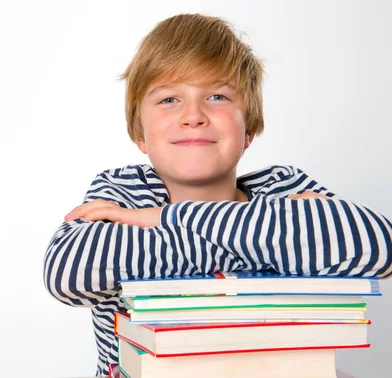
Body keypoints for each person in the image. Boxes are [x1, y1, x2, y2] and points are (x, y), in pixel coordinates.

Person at [42, 13, 392, 376]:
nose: (193, 115)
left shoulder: (281, 184)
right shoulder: (122, 191)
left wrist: (166, 219)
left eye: (217, 95)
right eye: (168, 100)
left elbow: (380, 246)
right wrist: (279, 237)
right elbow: (68, 272)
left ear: (249, 129)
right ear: (140, 134)